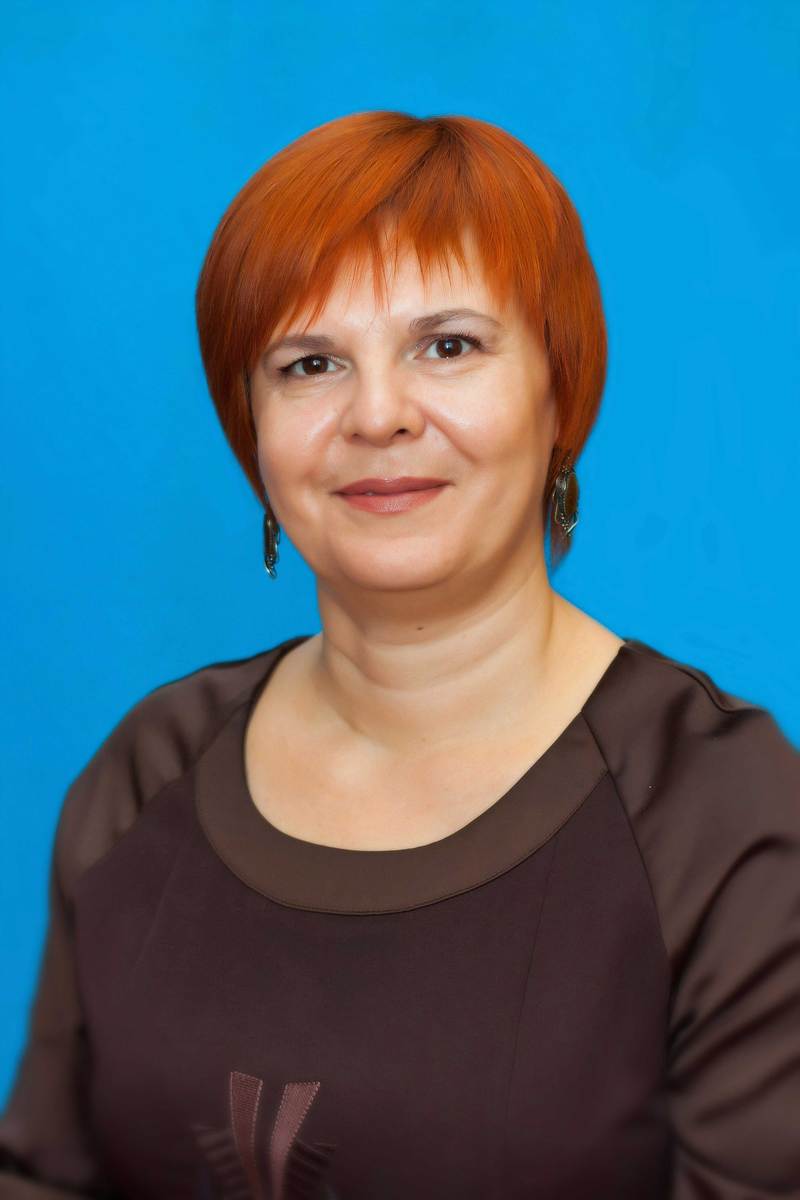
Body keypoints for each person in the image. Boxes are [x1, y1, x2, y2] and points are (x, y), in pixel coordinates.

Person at [1, 110, 798, 1200]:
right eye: (310, 363)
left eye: (448, 346)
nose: (376, 415)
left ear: (559, 389)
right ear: (252, 433)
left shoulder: (716, 808)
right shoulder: (153, 767)